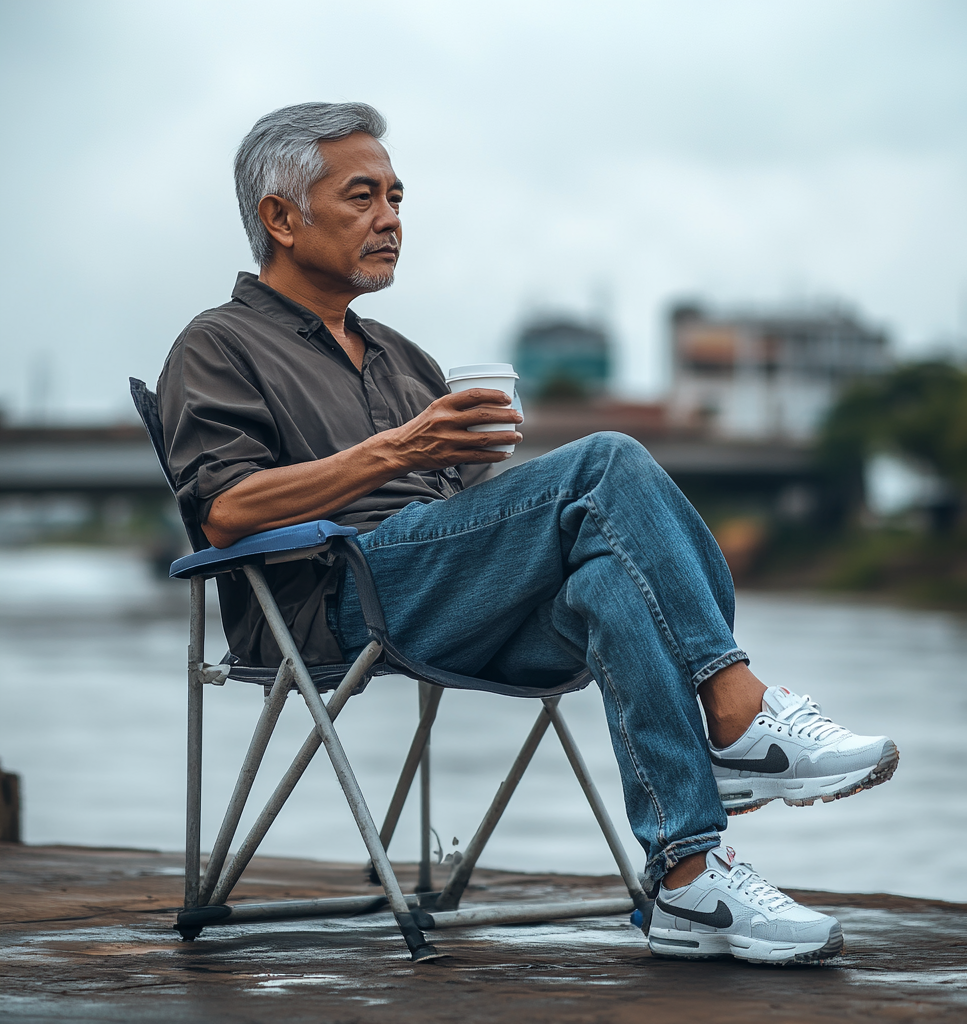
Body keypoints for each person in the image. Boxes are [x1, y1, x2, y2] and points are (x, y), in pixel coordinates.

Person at [158, 102, 898, 965]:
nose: (391, 219)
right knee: (607, 461)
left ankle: (690, 881)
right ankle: (734, 716)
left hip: (454, 595)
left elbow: (477, 508)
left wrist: (482, 472)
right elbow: (226, 510)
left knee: (613, 581)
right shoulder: (217, 345)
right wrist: (400, 449)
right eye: (363, 197)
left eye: (398, 197)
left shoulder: (401, 357)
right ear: (279, 218)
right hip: (336, 599)